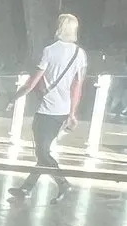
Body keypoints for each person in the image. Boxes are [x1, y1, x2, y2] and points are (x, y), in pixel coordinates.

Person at [8, 13, 86, 203]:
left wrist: (14, 98)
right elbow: (77, 86)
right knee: (43, 152)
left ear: (59, 27)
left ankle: (63, 183)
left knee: (42, 153)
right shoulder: (80, 53)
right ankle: (26, 188)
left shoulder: (49, 51)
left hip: (46, 109)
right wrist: (72, 113)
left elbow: (32, 82)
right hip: (62, 111)